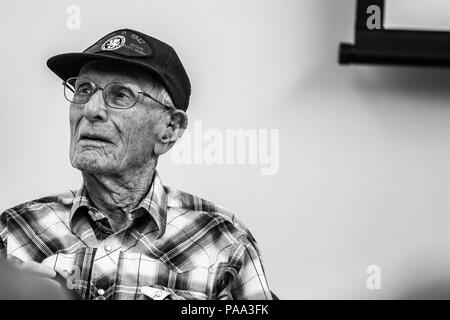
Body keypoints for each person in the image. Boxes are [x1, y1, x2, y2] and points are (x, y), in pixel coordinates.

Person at [0, 29, 273, 300]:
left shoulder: (223, 242)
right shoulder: (14, 230)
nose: (91, 109)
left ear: (170, 129)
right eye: (84, 89)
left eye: (120, 95)